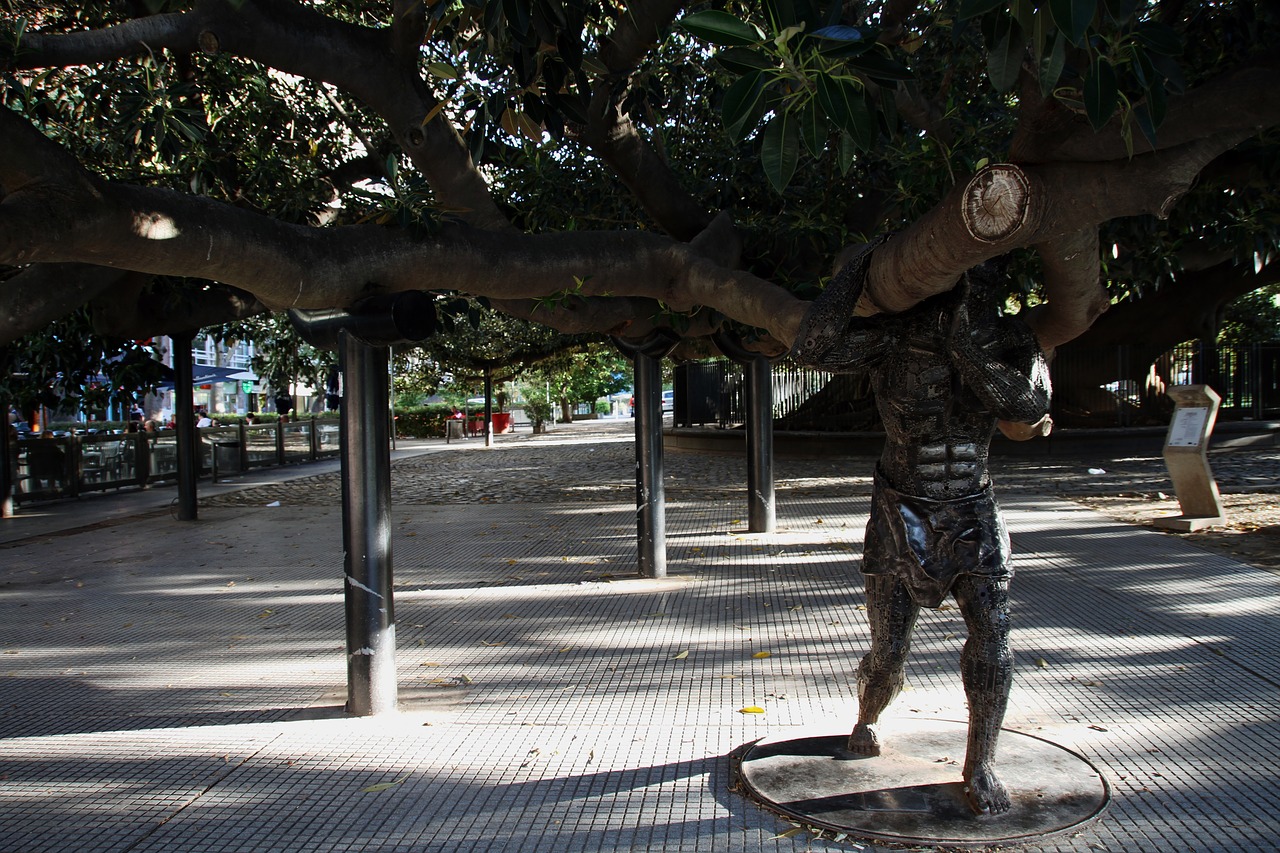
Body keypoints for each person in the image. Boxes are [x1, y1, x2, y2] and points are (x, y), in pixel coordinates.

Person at [790, 242, 1051, 815]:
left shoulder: (1013, 341)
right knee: (889, 653)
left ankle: (979, 763)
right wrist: (857, 268)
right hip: (900, 510)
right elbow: (809, 349)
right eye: (967, 279)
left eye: (988, 280)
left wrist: (967, 351)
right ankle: (867, 715)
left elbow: (1030, 406)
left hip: (972, 509)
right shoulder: (894, 337)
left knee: (994, 634)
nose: (976, 292)